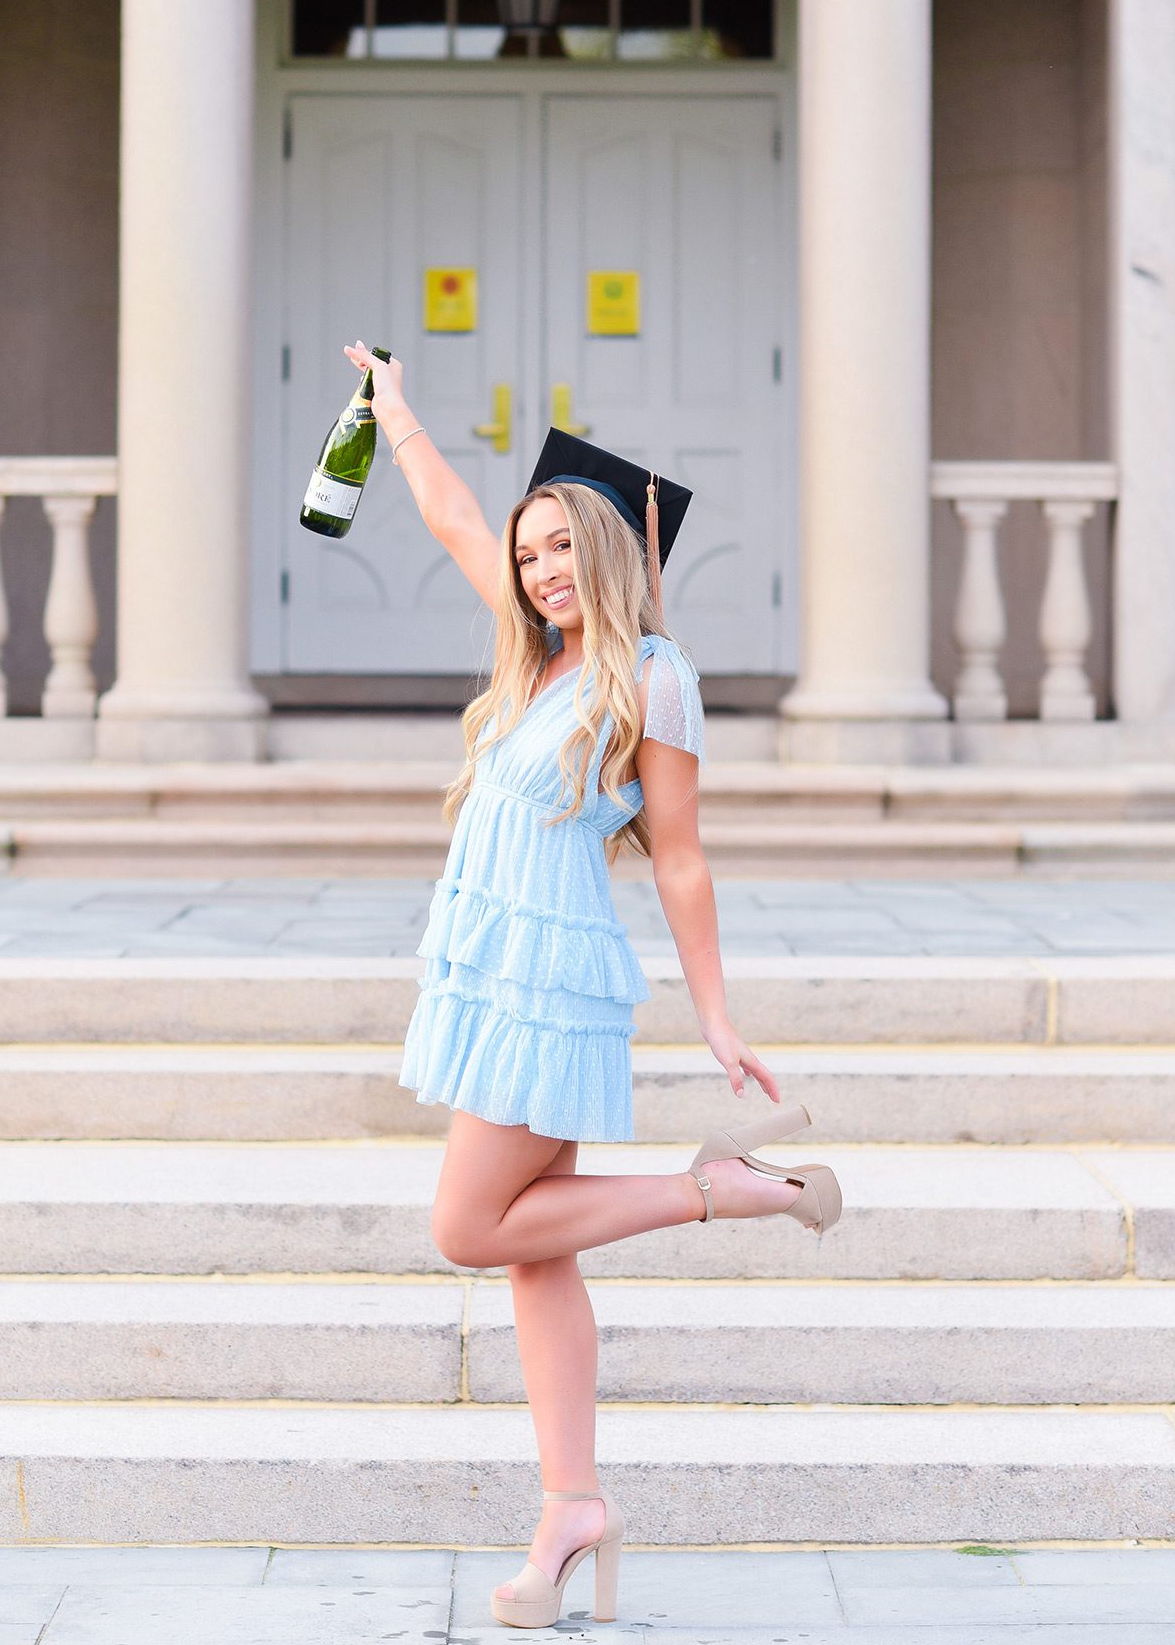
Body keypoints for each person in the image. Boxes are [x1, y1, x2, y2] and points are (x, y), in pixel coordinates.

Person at [342, 340, 841, 1631]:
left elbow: (680, 858)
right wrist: (394, 414)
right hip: (489, 966)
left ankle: (713, 1192)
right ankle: (573, 1507)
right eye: (529, 554)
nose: (541, 570)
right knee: (529, 1253)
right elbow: (453, 511)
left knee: (468, 1229)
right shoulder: (533, 657)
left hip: (548, 977)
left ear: (614, 552)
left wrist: (718, 1015)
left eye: (563, 548)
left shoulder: (653, 678)